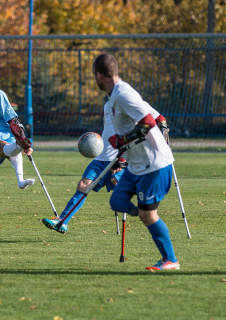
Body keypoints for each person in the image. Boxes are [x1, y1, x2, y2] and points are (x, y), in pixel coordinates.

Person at [92, 53, 179, 271]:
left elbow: (149, 123)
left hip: (154, 165)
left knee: (148, 214)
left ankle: (170, 260)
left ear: (99, 75)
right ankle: (141, 214)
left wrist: (122, 140)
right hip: (136, 165)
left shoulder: (123, 94)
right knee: (117, 202)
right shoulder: (113, 95)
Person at [42, 105, 168, 234]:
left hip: (121, 158)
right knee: (83, 185)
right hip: (101, 158)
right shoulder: (107, 105)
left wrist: (162, 140)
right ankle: (62, 222)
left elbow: (160, 119)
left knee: (117, 183)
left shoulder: (131, 101)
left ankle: (149, 212)